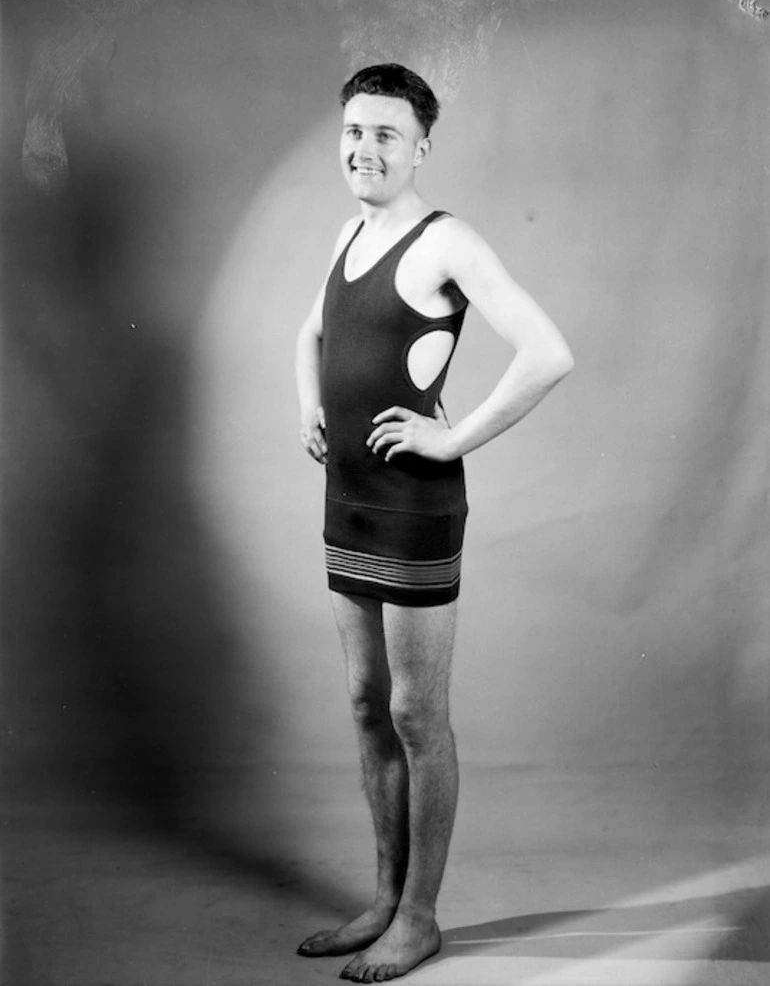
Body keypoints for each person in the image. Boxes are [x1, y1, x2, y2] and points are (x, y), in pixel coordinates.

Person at [295, 63, 574, 983]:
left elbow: (548, 353)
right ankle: (381, 897)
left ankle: (419, 917)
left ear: (421, 146)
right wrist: (311, 407)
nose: (364, 148)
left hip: (413, 508)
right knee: (366, 704)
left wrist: (453, 440)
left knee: (418, 713)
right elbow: (313, 334)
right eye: (353, 131)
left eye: (385, 134)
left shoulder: (445, 239)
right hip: (345, 499)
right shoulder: (349, 229)